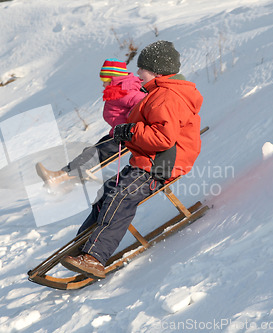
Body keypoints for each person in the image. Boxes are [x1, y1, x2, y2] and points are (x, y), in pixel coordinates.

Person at [60, 40, 203, 279]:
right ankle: (82, 246)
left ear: (157, 71)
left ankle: (94, 257)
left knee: (121, 196)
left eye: (141, 69)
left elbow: (163, 138)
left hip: (163, 164)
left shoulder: (166, 97)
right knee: (107, 192)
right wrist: (127, 131)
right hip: (149, 160)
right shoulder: (158, 93)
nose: (137, 73)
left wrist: (130, 132)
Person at [36, 59, 146, 187]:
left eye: (105, 81)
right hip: (120, 134)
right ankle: (70, 181)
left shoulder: (126, 92)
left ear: (114, 80)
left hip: (129, 136)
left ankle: (59, 177)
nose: (103, 85)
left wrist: (130, 124)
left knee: (95, 154)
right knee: (91, 152)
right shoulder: (121, 91)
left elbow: (142, 106)